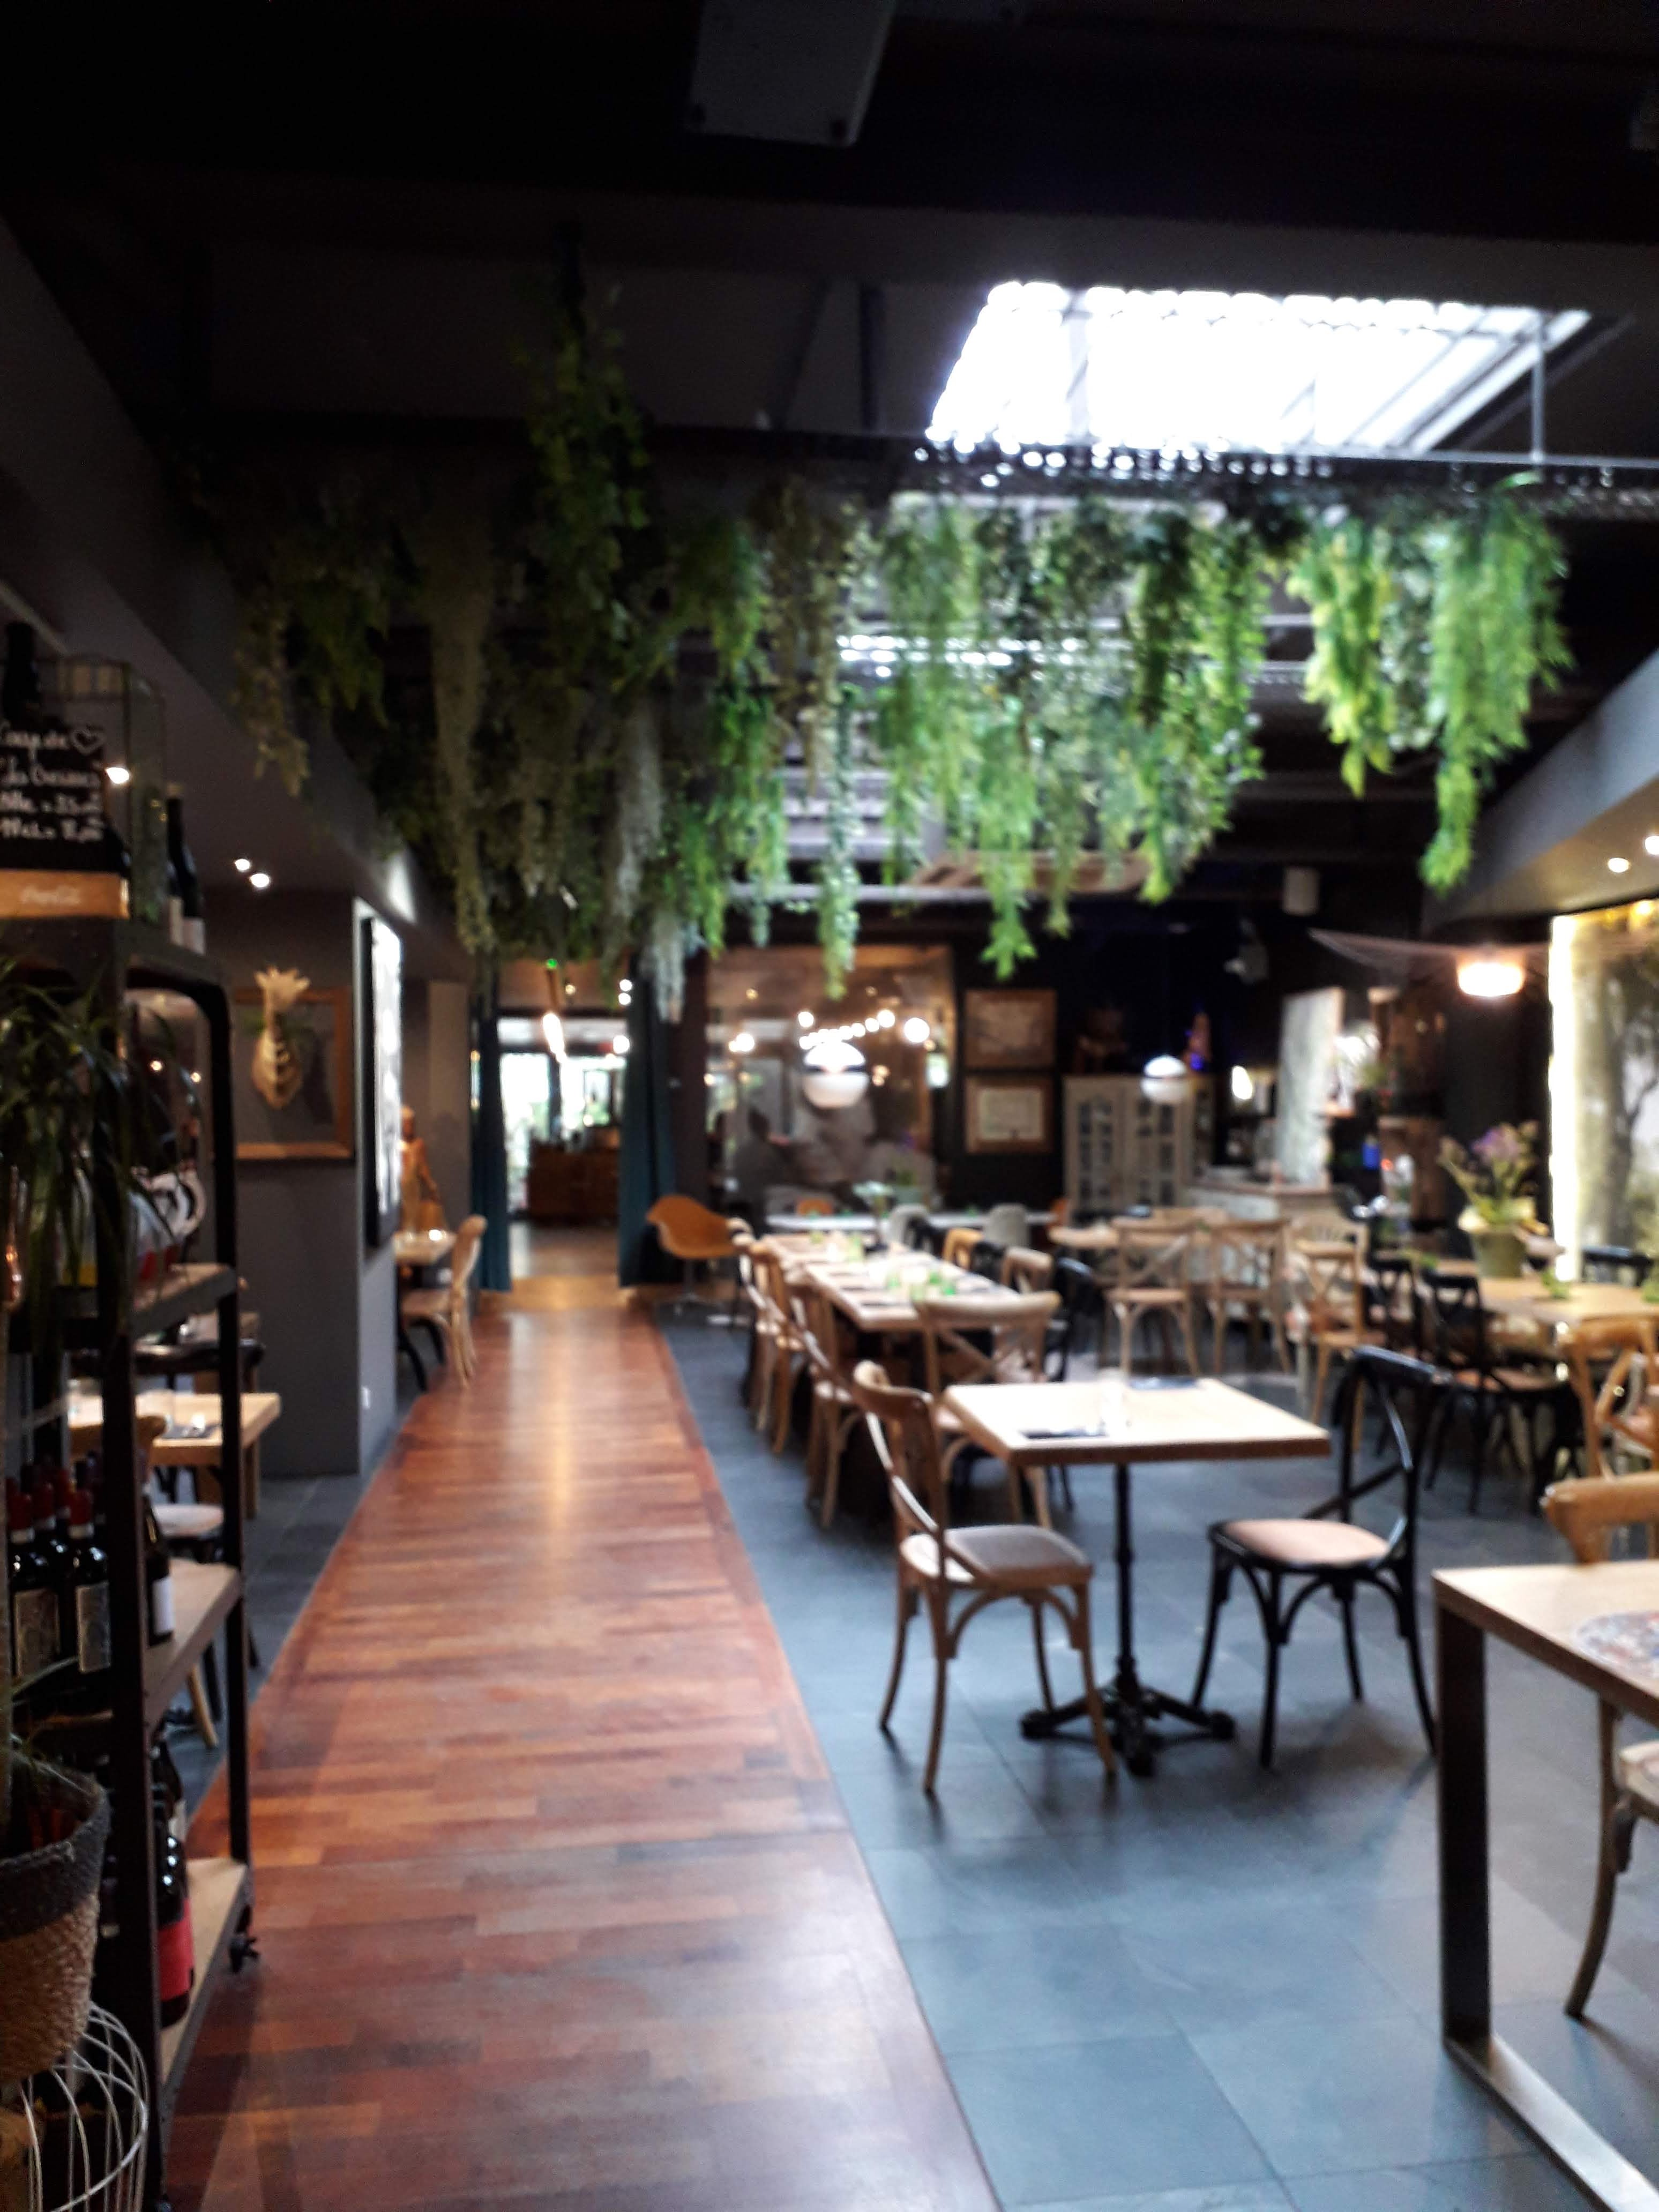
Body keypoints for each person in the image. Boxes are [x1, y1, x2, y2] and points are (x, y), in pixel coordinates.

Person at [400, 1105, 446, 1232]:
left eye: (411, 1124)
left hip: (412, 1191)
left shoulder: (418, 1145)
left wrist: (432, 1187)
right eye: (406, 1124)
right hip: (397, 1190)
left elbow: (423, 1169)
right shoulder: (394, 1145)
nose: (409, 1127)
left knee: (412, 1221)